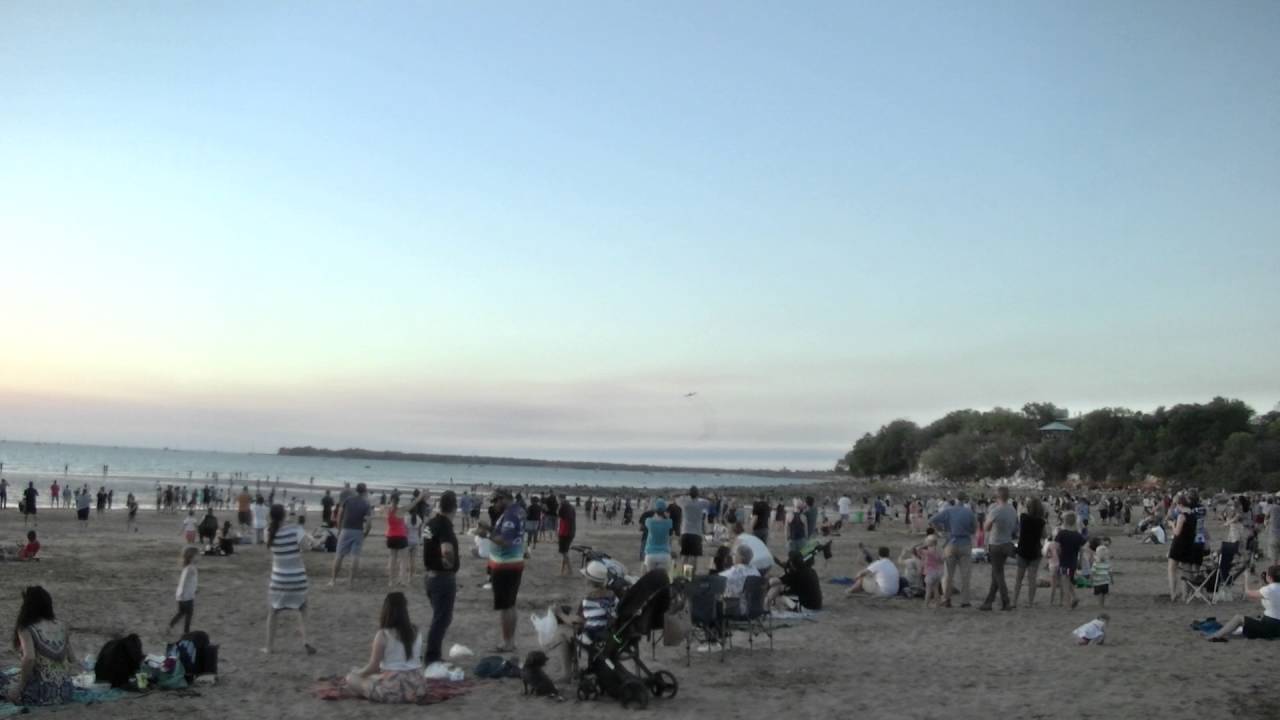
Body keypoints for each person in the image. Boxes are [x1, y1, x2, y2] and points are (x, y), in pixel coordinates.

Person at [345, 592, 430, 702]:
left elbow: (373, 668)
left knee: (351, 678)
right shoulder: (416, 631)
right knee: (371, 676)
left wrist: (358, 673)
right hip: (418, 687)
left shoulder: (383, 634)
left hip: (393, 689)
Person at [0, 587, 74, 706]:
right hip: (66, 693)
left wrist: (20, 687)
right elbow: (72, 659)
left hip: (40, 694)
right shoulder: (62, 626)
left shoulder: (27, 629)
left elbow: (29, 658)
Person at [551, 560, 618, 683]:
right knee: (573, 631)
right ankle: (575, 670)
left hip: (593, 638)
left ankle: (567, 674)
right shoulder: (612, 595)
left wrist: (559, 613)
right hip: (608, 634)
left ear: (589, 581)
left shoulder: (588, 600)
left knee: (563, 633)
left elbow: (578, 621)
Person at [264, 504, 316, 655]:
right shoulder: (295, 529)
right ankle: (306, 641)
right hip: (297, 578)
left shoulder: (268, 532)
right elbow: (306, 547)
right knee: (303, 609)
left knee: (273, 612)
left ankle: (269, 647)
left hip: (278, 579)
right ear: (284, 515)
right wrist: (309, 540)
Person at [422, 491, 459, 665]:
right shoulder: (444, 525)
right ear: (455, 507)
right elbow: (446, 550)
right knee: (441, 619)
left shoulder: (431, 523)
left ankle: (432, 653)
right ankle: (432, 657)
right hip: (442, 577)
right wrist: (449, 564)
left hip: (430, 576)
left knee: (440, 617)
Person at [486, 489, 525, 653]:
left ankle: (507, 642)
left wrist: (486, 534)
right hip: (513, 563)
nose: (493, 505)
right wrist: (490, 529)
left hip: (506, 565)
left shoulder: (509, 515)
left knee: (506, 606)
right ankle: (510, 641)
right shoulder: (518, 510)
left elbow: (505, 540)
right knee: (510, 604)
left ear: (502, 499)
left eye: (494, 501)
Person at [1205, 564, 1280, 642]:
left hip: (1270, 627)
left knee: (1238, 618)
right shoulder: (1270, 589)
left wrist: (1246, 578)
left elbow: (1247, 593)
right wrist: (1260, 580)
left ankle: (1215, 636)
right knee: (1248, 623)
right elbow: (1267, 593)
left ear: (1270, 578)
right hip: (1276, 627)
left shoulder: (1269, 589)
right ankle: (1225, 633)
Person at [929, 493, 977, 608]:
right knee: (965, 575)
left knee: (948, 574)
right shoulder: (969, 512)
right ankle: (965, 601)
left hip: (950, 542)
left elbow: (932, 520)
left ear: (955, 499)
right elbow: (974, 529)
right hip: (965, 544)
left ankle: (946, 599)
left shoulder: (948, 511)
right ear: (965, 500)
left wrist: (941, 530)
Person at [979, 486, 1018, 611]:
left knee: (998, 573)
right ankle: (988, 602)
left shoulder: (996, 510)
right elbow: (1014, 528)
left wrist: (987, 518)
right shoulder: (1012, 509)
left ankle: (1005, 601)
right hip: (1007, 542)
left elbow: (986, 528)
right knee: (995, 573)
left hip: (996, 544)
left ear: (997, 496)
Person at [331, 483, 372, 585]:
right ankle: (350, 581)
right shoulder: (366, 504)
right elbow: (369, 522)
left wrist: (339, 527)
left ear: (356, 490)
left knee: (339, 555)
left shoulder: (348, 500)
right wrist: (366, 532)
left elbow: (340, 514)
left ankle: (333, 580)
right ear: (365, 491)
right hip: (358, 531)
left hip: (346, 529)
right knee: (355, 556)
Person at [1012, 496, 1049, 608]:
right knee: (1032, 579)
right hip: (1035, 551)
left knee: (1019, 578)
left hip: (1023, 550)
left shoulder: (1024, 518)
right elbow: (1045, 535)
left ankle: (1014, 601)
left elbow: (1020, 512)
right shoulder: (1041, 522)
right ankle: (1030, 602)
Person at [1053, 512, 1086, 610]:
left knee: (1065, 583)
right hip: (1073, 562)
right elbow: (1082, 549)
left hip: (1064, 561)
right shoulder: (1077, 535)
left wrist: (1058, 556)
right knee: (1068, 580)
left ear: (1064, 521)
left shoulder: (1061, 533)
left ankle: (1068, 604)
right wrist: (1080, 561)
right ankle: (1075, 596)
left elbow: (1057, 547)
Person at [678, 487, 711, 575]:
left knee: (684, 556)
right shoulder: (701, 503)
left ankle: (683, 575)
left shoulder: (685, 503)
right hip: (696, 533)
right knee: (693, 557)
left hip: (685, 532)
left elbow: (678, 499)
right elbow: (709, 502)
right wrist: (701, 495)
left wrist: (685, 494)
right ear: (697, 494)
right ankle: (690, 575)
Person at [169, 546, 199, 635]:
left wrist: (194, 589)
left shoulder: (189, 567)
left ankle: (170, 626)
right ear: (191, 557)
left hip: (184, 595)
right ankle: (186, 632)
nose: (200, 557)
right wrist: (182, 594)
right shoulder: (190, 568)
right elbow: (183, 581)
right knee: (189, 614)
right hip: (186, 597)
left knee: (181, 613)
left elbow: (190, 582)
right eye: (198, 555)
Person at [643, 499, 674, 572]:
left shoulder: (649, 521)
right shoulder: (669, 522)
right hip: (664, 554)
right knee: (662, 580)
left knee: (650, 580)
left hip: (651, 553)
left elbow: (647, 514)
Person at [385, 500, 408, 588]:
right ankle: (402, 580)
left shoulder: (388, 511)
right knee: (403, 560)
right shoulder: (400, 511)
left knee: (392, 560)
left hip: (391, 536)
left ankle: (391, 581)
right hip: (401, 536)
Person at [557, 494, 577, 576]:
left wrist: (558, 507)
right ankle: (562, 570)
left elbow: (559, 515)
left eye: (558, 499)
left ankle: (570, 570)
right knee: (565, 552)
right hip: (571, 532)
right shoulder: (571, 507)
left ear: (561, 499)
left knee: (564, 552)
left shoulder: (563, 507)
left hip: (565, 533)